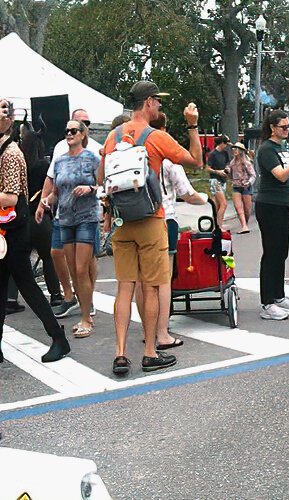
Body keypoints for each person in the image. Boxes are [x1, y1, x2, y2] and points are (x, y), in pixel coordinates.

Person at [97, 81, 204, 374]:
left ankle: (120, 353)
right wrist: (192, 126)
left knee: (125, 288)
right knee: (153, 286)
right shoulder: (155, 137)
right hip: (151, 218)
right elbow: (196, 161)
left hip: (122, 222)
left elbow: (100, 177)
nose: (159, 106)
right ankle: (149, 352)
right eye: (158, 101)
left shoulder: (112, 136)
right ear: (148, 102)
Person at [0, 99, 71, 363]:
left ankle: (58, 338)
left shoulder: (10, 154)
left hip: (15, 230)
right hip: (6, 229)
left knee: (28, 287)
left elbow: (9, 198)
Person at [151, 113, 209, 349]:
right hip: (166, 218)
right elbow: (187, 193)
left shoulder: (136, 151)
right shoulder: (167, 159)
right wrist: (204, 198)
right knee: (163, 279)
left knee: (144, 280)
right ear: (164, 129)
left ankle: (148, 326)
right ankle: (162, 332)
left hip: (139, 220)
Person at [37, 119, 99, 340]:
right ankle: (83, 311)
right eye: (67, 131)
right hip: (65, 219)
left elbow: (104, 185)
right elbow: (56, 191)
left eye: (73, 130)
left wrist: (90, 188)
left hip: (86, 218)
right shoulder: (60, 161)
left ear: (83, 134)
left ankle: (87, 318)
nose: (69, 134)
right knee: (73, 269)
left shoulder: (92, 158)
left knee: (82, 269)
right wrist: (45, 202)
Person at [255, 109, 289, 321]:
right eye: (283, 127)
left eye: (288, 127)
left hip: (281, 203)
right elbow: (281, 174)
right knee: (271, 254)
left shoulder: (281, 147)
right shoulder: (266, 149)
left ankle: (278, 296)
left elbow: (287, 179)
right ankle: (267, 302)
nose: (287, 130)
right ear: (272, 128)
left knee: (281, 253)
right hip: (268, 204)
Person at [204, 135, 232, 225]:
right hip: (215, 180)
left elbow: (227, 163)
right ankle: (220, 225)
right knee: (224, 204)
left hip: (223, 180)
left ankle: (214, 224)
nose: (227, 146)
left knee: (217, 205)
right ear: (222, 143)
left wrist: (227, 168)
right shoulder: (213, 154)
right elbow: (207, 168)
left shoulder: (225, 153)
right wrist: (218, 172)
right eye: (226, 143)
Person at [228, 144, 255, 233]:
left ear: (241, 151)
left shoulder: (246, 163)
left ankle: (245, 224)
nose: (234, 150)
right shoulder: (232, 163)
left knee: (247, 210)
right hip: (236, 187)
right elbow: (230, 176)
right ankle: (243, 225)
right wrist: (228, 173)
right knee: (238, 208)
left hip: (246, 187)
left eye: (236, 149)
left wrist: (249, 182)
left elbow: (253, 175)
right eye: (233, 149)